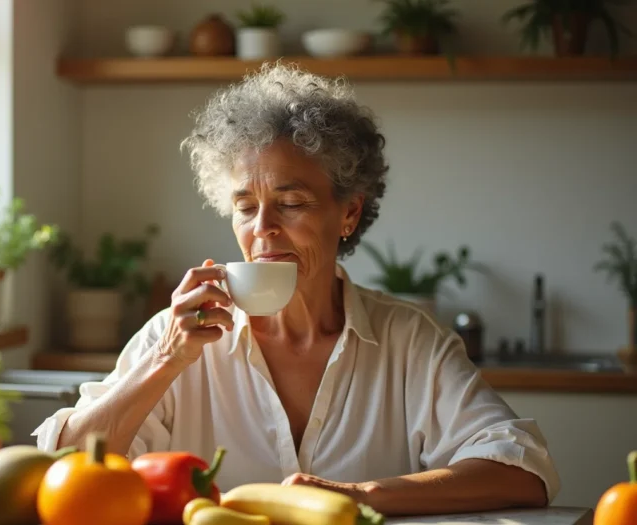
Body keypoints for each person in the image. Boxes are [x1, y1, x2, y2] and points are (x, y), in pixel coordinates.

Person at [33, 63, 559, 516]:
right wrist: (165, 360)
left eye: (291, 203)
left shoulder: (409, 341)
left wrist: (363, 495)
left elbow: (523, 470)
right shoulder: (174, 338)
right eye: (245, 207)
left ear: (348, 213)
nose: (262, 228)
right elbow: (60, 471)